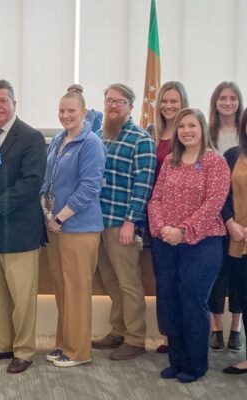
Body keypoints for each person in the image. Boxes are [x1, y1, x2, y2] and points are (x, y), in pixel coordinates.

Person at [148, 108, 230, 383]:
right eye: (182, 126)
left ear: (202, 128)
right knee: (169, 300)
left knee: (192, 300)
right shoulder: (171, 160)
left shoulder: (215, 162)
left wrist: (183, 231)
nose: (186, 131)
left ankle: (195, 365)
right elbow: (155, 199)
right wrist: (162, 229)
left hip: (202, 243)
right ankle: (176, 360)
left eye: (192, 125)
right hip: (165, 242)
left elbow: (213, 205)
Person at [0, 79, 46, 374]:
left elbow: (31, 182)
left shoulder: (31, 137)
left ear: (14, 103)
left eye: (3, 101)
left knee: (22, 297)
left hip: (19, 229)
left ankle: (25, 350)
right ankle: (2, 343)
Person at [41, 88, 106, 367]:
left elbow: (89, 187)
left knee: (77, 291)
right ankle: (64, 344)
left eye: (72, 111)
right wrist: (46, 210)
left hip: (79, 227)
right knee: (62, 289)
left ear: (84, 111)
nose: (66, 115)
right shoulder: (59, 139)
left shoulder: (91, 143)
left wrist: (60, 217)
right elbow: (48, 179)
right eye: (62, 110)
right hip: (55, 226)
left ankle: (79, 351)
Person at [92, 83, 156, 360]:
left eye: (119, 101)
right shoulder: (98, 136)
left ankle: (135, 338)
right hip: (97, 221)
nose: (113, 106)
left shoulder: (141, 140)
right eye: (109, 101)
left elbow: (143, 185)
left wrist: (132, 221)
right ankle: (118, 330)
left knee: (129, 283)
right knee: (110, 280)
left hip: (122, 224)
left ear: (131, 106)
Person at [146, 81, 190, 354]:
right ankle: (169, 335)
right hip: (157, 218)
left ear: (183, 103)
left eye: (174, 101)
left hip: (186, 223)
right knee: (164, 281)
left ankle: (188, 334)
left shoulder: (189, 133)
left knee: (187, 281)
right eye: (164, 100)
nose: (169, 106)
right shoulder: (152, 134)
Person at [207, 81, 244, 352]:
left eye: (233, 98)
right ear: (215, 102)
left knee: (239, 275)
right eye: (223, 98)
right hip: (213, 213)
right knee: (216, 273)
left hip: (239, 216)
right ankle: (216, 328)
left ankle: (236, 329)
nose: (228, 102)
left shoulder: (241, 141)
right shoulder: (207, 132)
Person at [222, 108, 247, 374]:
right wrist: (230, 223)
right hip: (238, 240)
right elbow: (223, 196)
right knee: (243, 296)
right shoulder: (232, 156)